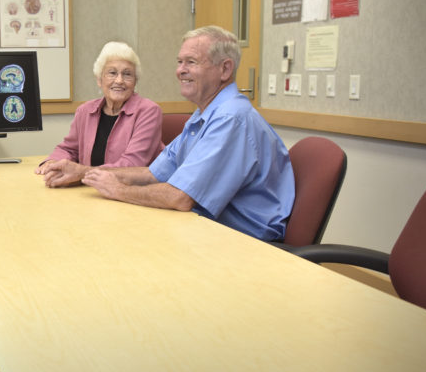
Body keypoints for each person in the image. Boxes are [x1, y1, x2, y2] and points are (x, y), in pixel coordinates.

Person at [78, 26, 295, 241]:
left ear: (225, 69)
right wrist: (85, 173)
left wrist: (118, 190)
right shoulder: (204, 114)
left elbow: (179, 197)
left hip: (246, 243)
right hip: (208, 229)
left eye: (191, 62)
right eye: (179, 62)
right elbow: (153, 174)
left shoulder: (231, 118)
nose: (180, 70)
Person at [34, 41, 163, 187]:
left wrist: (82, 173)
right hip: (92, 192)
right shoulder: (85, 111)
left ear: (135, 82)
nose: (119, 80)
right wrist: (53, 162)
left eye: (127, 74)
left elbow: (133, 165)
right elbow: (69, 149)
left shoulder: (149, 111)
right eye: (112, 73)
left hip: (132, 194)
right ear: (99, 80)